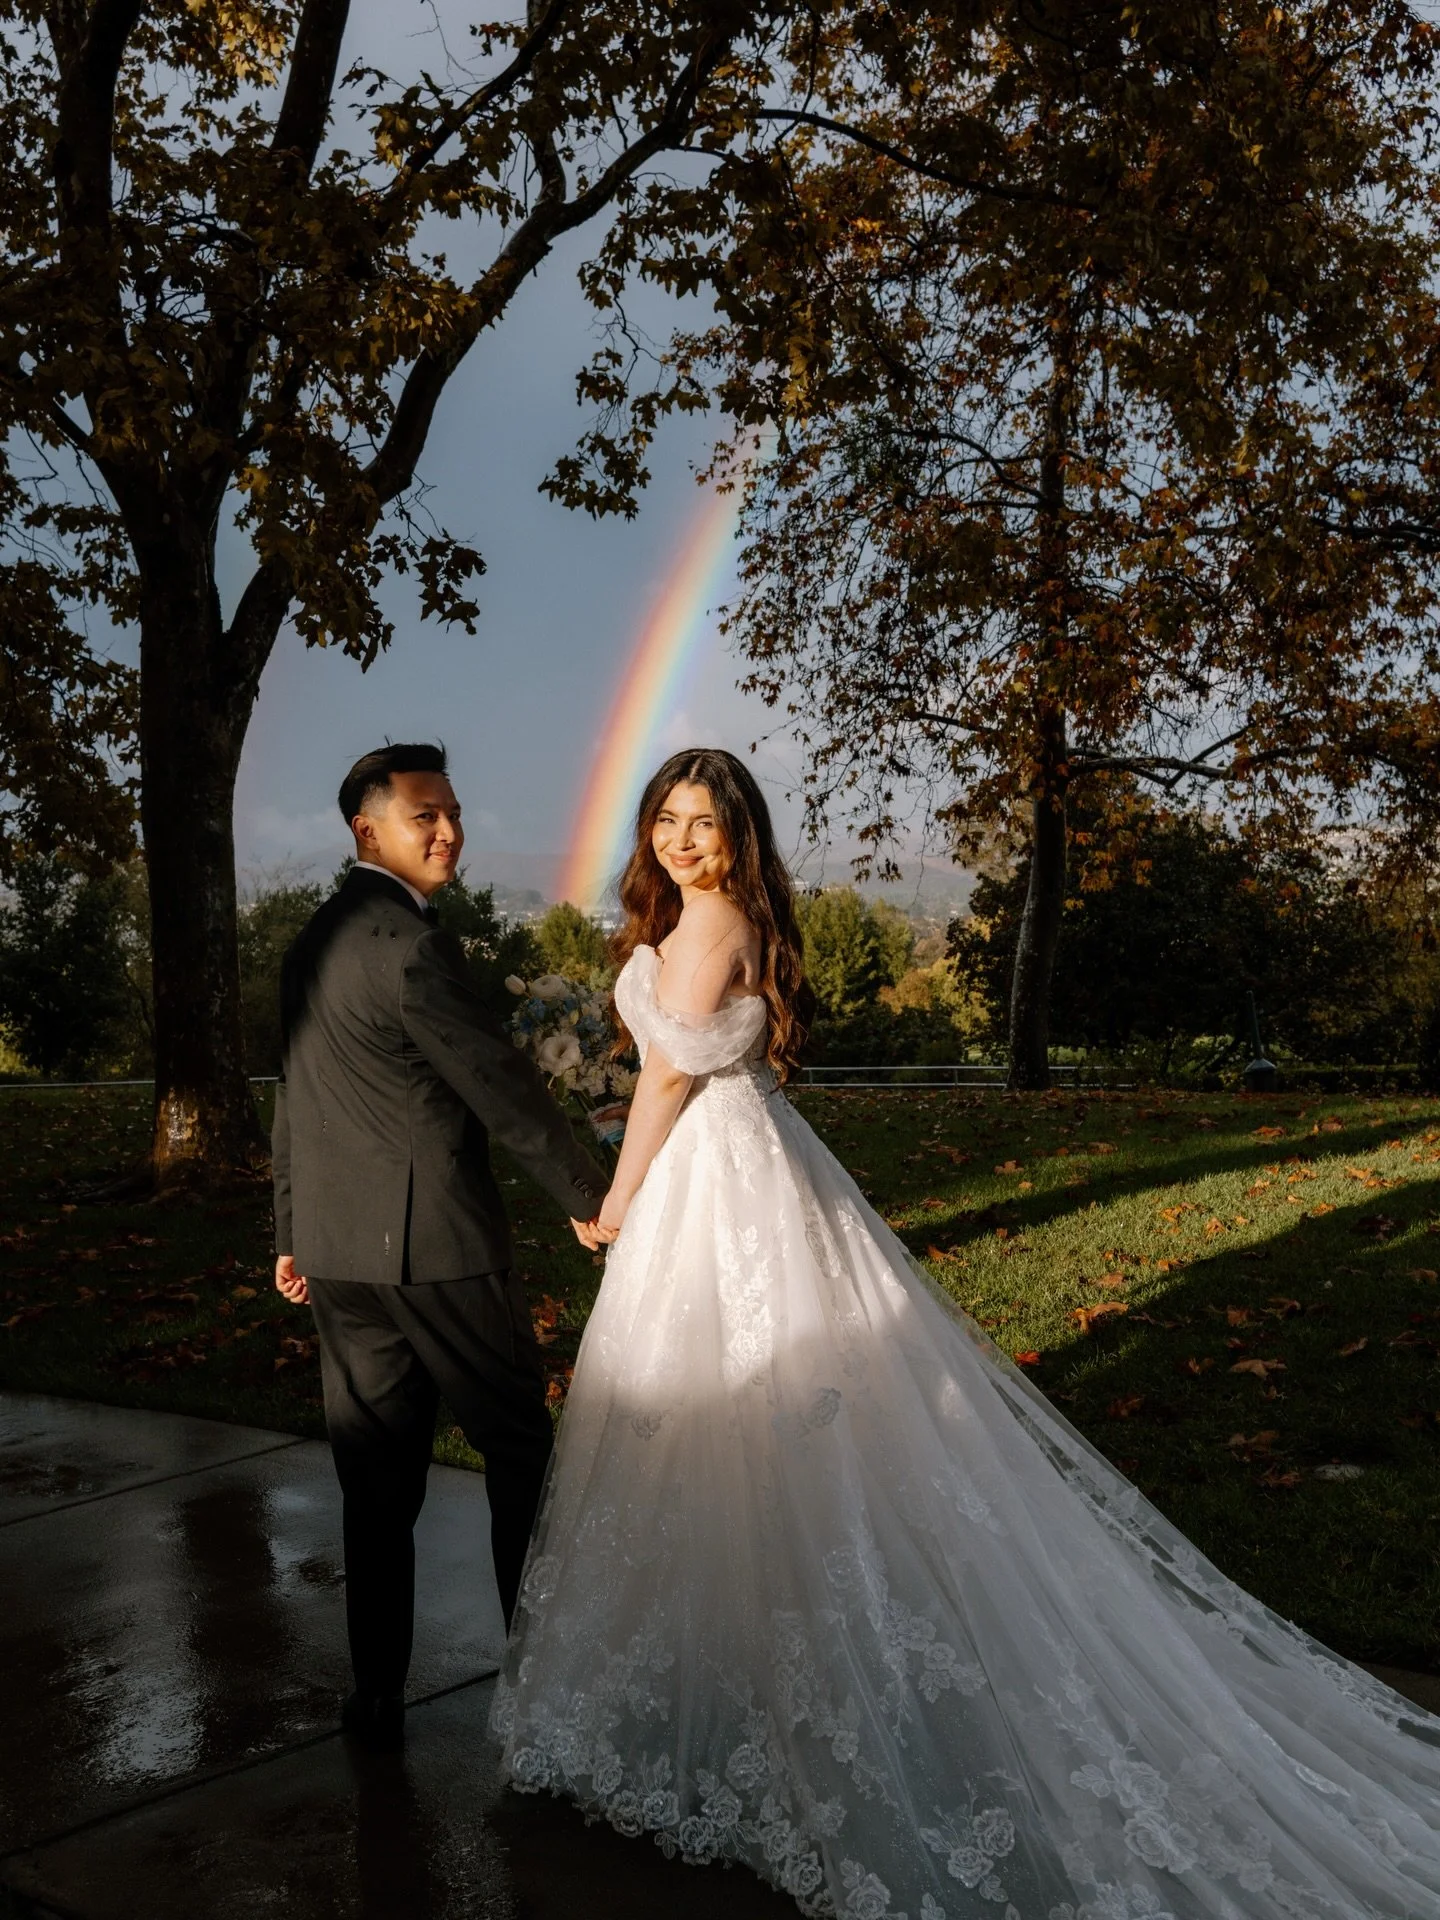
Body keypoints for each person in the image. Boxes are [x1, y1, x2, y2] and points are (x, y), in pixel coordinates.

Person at [495, 746, 1440, 1919]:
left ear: (740, 834)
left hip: (714, 1188)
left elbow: (665, 1087)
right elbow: (662, 1069)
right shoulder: (681, 921)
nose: (683, 839)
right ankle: (730, 1692)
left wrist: (619, 1200)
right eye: (666, 819)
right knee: (698, 1424)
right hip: (720, 1173)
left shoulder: (720, 922)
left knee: (759, 1427)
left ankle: (796, 1705)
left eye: (704, 821)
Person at [272, 742, 609, 1753]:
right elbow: (497, 1084)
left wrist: (291, 1230)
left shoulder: (313, 940)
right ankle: (543, 1685)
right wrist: (591, 1194)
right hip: (440, 1251)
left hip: (339, 1257)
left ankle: (373, 1699)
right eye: (427, 816)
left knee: (377, 1482)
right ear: (367, 830)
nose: (451, 830)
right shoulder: (410, 946)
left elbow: (291, 1097)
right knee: (519, 1456)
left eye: (454, 811)